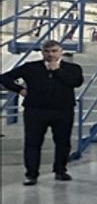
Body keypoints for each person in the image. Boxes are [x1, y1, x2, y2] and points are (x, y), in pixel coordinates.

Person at [1, 40, 84, 186]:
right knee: (32, 142)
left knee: (63, 142)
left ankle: (60, 170)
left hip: (62, 111)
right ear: (42, 52)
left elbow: (75, 82)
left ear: (61, 52)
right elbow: (4, 77)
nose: (50, 54)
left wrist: (57, 70)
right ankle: (31, 174)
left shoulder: (73, 68)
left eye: (54, 51)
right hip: (36, 110)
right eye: (47, 51)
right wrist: (19, 90)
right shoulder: (31, 67)